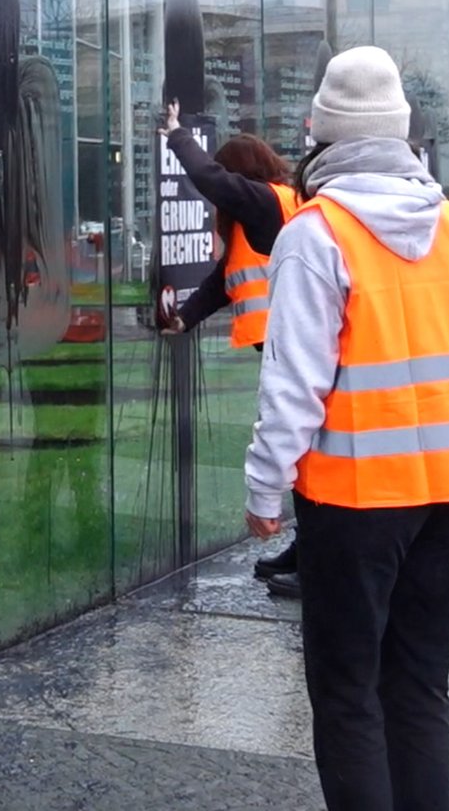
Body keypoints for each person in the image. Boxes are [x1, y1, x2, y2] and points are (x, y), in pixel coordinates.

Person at [245, 45, 449, 811]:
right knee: (419, 687)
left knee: (348, 695)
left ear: (319, 129)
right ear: (403, 132)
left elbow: (294, 381)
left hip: (354, 502)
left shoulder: (316, 236)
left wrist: (264, 484)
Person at [155, 106, 305, 597]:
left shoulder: (267, 202)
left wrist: (177, 137)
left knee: (305, 449)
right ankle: (307, 552)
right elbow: (224, 283)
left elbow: (209, 178)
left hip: (294, 344)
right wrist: (185, 319)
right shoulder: (260, 215)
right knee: (304, 448)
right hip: (287, 342)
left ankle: (317, 563)